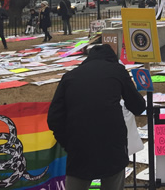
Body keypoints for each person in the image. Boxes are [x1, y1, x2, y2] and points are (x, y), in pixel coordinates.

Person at [47, 44, 146, 190]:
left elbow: (54, 118)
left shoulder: (69, 77)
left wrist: (68, 143)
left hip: (79, 146)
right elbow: (138, 106)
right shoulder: (117, 71)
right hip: (112, 146)